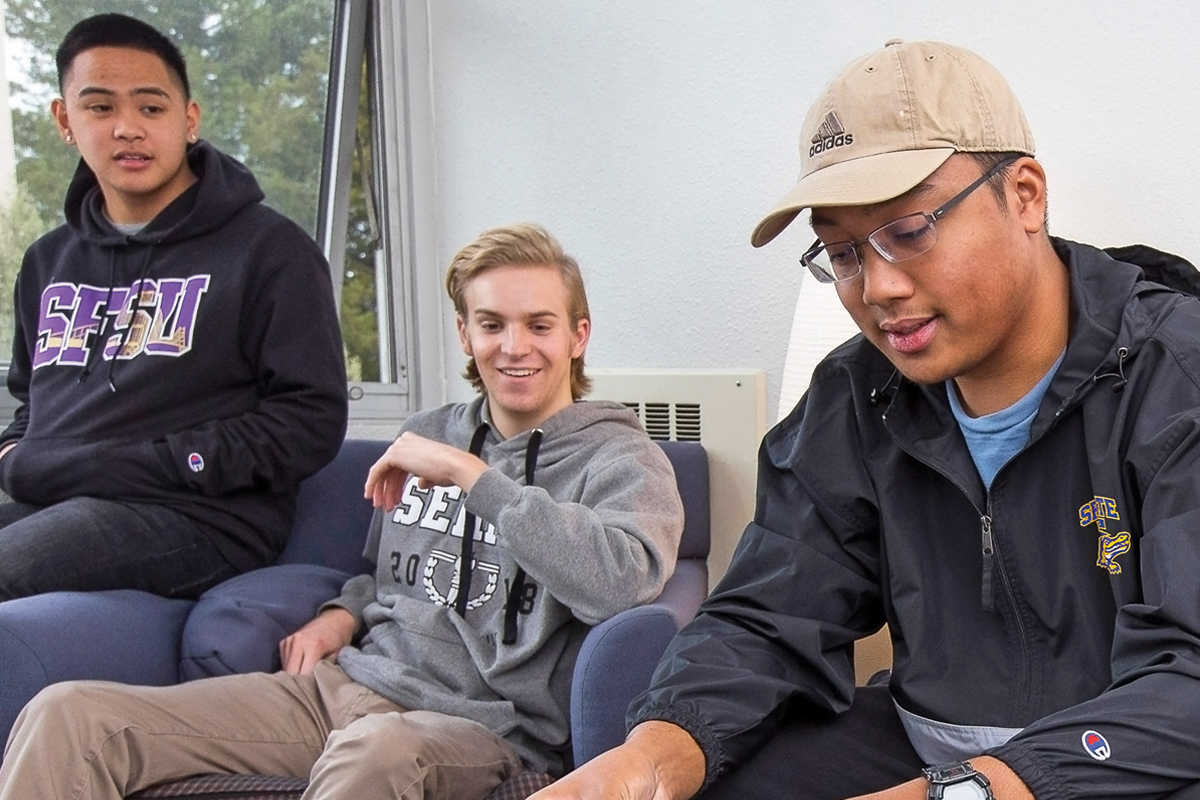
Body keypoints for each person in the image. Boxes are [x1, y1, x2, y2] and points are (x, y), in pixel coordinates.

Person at [534, 39, 1200, 800]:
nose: (876, 286)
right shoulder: (855, 396)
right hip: (929, 746)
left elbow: (1190, 682)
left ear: (1024, 195)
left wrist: (972, 791)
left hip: (1133, 765)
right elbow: (765, 618)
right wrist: (648, 758)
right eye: (842, 251)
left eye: (910, 231)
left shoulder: (1177, 375)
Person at [0, 222, 685, 800]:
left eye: (539, 325)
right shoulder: (432, 431)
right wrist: (343, 612)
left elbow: (620, 582)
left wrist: (476, 477)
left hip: (477, 728)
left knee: (374, 755)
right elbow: (391, 576)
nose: (514, 346)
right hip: (342, 690)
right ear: (464, 335)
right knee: (72, 716)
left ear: (578, 335)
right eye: (491, 324)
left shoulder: (622, 460)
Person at [0, 13, 348, 600]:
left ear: (189, 121)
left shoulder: (270, 250)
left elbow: (310, 420)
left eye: (151, 108)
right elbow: (32, 401)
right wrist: (13, 453)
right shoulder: (47, 260)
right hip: (58, 507)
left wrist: (154, 463)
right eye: (100, 107)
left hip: (200, 520)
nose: (128, 129)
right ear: (65, 121)